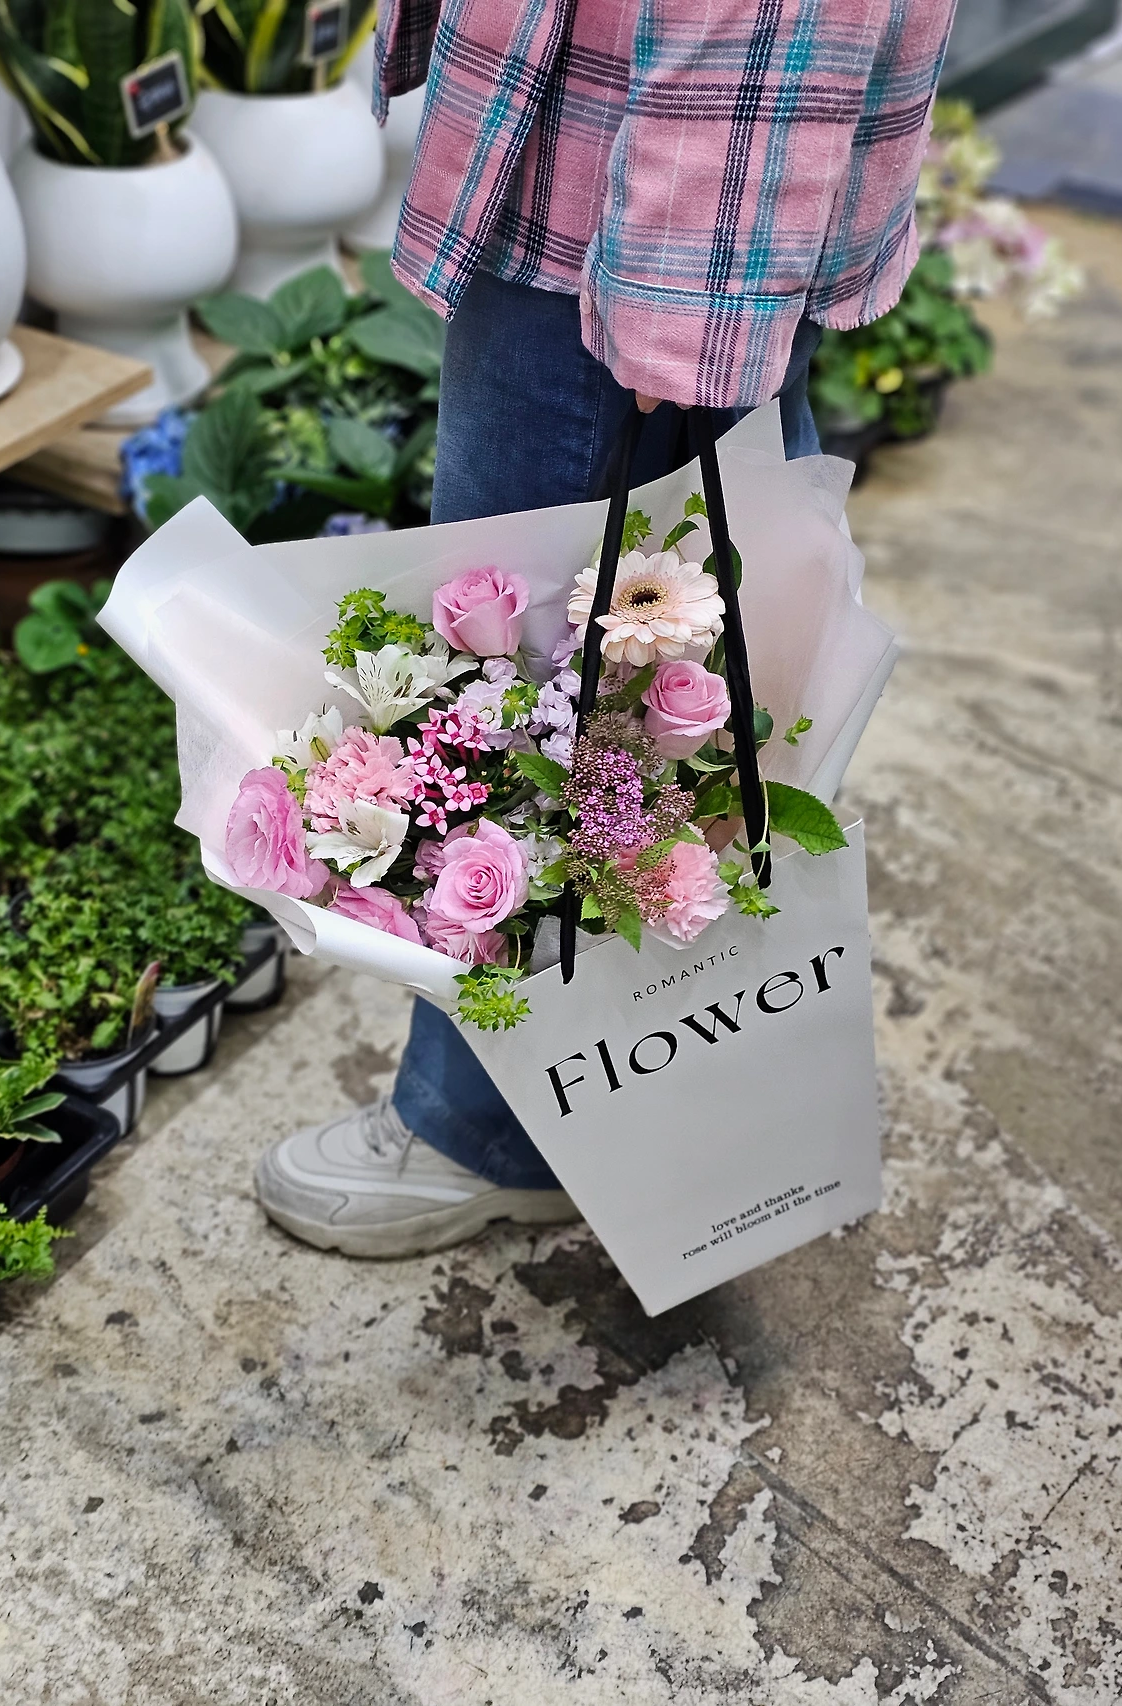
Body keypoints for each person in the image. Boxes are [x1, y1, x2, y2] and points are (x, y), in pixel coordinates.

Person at [255, 0, 957, 1257]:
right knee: (686, 693)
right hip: (637, 165)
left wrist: (682, 307)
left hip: (634, 200)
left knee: (538, 690)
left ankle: (498, 1134)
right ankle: (649, 1090)